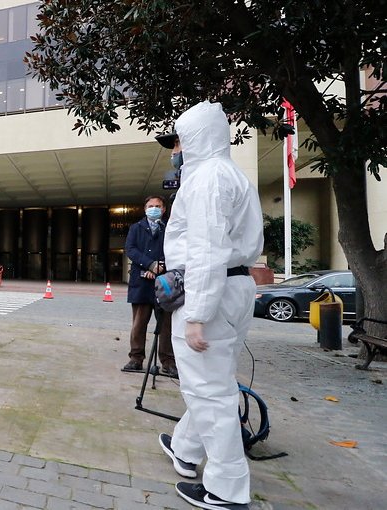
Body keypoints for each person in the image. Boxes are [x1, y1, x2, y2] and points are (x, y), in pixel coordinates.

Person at [158, 101, 263, 510]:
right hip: (235, 286)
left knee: (209, 389)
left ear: (197, 138)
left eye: (180, 139)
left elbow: (205, 250)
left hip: (210, 291)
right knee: (212, 381)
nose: (176, 148)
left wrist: (197, 315)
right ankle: (185, 448)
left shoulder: (205, 179)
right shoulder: (232, 174)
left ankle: (227, 487)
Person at [122, 195, 177, 378]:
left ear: (163, 209)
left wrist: (161, 266)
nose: (154, 208)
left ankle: (168, 361)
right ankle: (136, 358)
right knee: (139, 323)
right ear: (145, 209)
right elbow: (131, 249)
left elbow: (176, 249)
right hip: (142, 282)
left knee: (166, 326)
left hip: (165, 283)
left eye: (158, 206)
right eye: (150, 206)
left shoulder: (171, 228)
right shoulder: (136, 228)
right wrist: (150, 264)